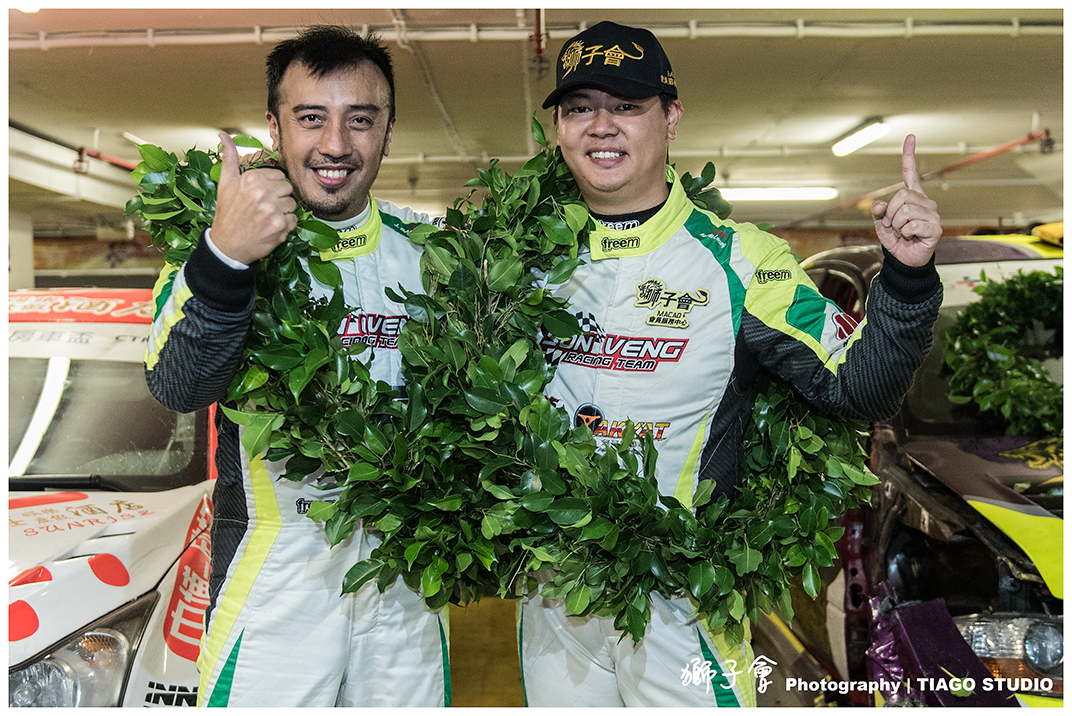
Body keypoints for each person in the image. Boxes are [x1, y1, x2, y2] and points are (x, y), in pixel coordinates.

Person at [522, 21, 943, 707]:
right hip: (553, 598)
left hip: (683, 602)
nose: (601, 126)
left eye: (626, 105)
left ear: (671, 118)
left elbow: (860, 388)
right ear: (559, 129)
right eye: (579, 108)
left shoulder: (742, 262)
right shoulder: (520, 261)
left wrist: (907, 278)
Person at [144, 26, 449, 707]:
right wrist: (226, 257)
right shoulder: (215, 244)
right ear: (274, 127)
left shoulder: (433, 256)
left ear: (388, 132)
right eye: (311, 118)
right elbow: (180, 386)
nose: (335, 144)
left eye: (360, 119)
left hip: (405, 587)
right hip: (274, 585)